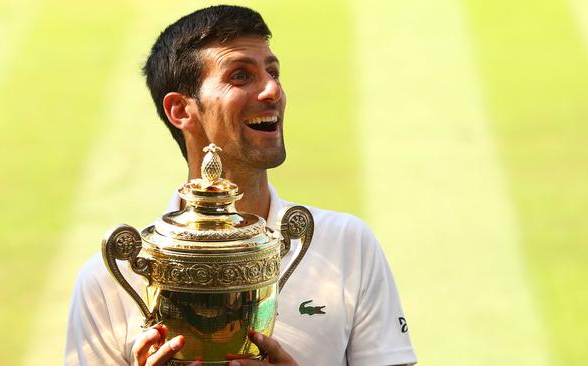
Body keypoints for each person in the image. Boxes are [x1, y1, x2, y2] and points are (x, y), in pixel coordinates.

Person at [65, 5, 417, 366]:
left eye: (273, 72)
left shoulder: (348, 244)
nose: (272, 90)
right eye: (240, 76)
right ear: (181, 111)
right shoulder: (108, 280)